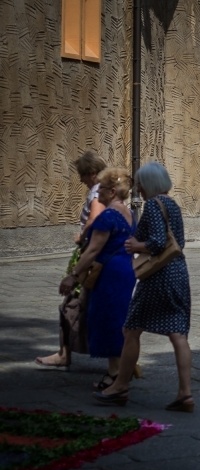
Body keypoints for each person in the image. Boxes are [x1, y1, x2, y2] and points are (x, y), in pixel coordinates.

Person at [94, 162, 194, 412]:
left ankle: (120, 386)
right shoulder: (172, 204)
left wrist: (136, 247)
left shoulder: (153, 205)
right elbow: (177, 241)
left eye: (140, 182)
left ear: (148, 184)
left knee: (131, 329)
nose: (137, 187)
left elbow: (158, 242)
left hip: (158, 276)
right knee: (178, 334)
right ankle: (185, 394)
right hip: (179, 272)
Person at [60, 168, 137, 390]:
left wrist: (73, 276)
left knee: (106, 319)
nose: (98, 192)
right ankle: (120, 371)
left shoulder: (107, 216)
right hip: (126, 269)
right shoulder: (128, 213)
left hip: (108, 273)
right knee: (118, 318)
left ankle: (114, 375)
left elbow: (93, 251)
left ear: (112, 191)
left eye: (101, 188)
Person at [35, 150, 106, 370]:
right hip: (97, 257)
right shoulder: (105, 191)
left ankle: (64, 354)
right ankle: (123, 358)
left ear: (92, 173)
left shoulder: (96, 192)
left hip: (88, 255)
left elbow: (94, 219)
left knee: (71, 303)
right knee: (92, 305)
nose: (80, 179)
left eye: (83, 175)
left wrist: (82, 236)